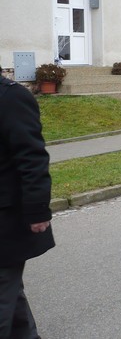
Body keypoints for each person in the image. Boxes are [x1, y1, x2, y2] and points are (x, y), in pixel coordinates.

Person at [0, 76, 55, 338]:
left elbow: (32, 157)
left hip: (6, 221)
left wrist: (37, 210)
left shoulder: (11, 98)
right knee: (11, 300)